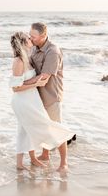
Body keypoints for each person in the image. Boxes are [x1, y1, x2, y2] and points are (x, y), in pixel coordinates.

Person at [9, 31, 74, 171]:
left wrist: (36, 81)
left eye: (31, 36)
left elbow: (27, 79)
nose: (30, 39)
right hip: (23, 100)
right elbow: (15, 87)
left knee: (29, 129)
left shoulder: (28, 56)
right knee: (30, 128)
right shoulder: (19, 61)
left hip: (31, 99)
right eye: (28, 38)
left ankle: (33, 159)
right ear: (23, 42)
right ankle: (20, 164)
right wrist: (36, 84)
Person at [28, 22, 76, 162]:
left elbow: (44, 76)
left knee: (57, 129)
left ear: (43, 36)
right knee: (44, 127)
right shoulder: (34, 48)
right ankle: (45, 154)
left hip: (51, 96)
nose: (30, 38)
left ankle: (63, 163)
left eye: (34, 36)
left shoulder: (53, 51)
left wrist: (22, 84)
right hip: (38, 95)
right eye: (30, 35)